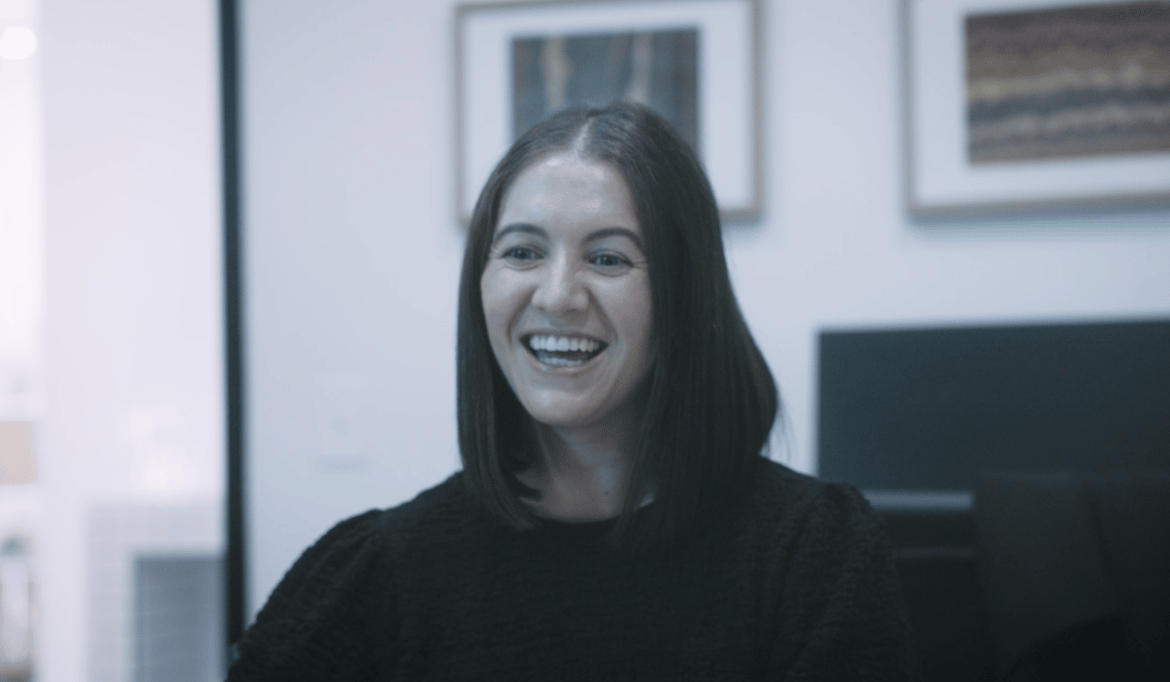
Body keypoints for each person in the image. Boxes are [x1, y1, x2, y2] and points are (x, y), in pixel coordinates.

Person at [227, 102, 920, 680]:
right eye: (523, 252)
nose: (557, 295)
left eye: (608, 258)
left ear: (685, 296)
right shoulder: (377, 572)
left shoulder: (813, 557)